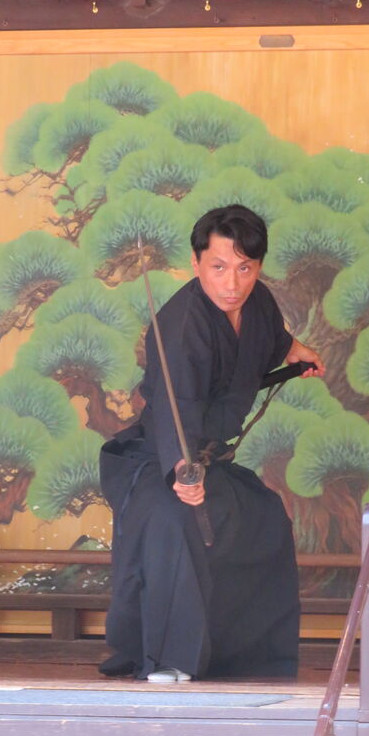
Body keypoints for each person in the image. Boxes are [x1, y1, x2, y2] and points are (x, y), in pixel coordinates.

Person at [98, 205, 325, 683]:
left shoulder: (257, 303)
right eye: (219, 267)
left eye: (245, 268)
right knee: (174, 523)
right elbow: (175, 408)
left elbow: (269, 339)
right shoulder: (183, 327)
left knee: (264, 517)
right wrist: (181, 473)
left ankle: (243, 656)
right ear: (196, 261)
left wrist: (295, 350)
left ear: (258, 267)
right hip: (159, 456)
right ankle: (169, 659)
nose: (232, 283)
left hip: (208, 457)